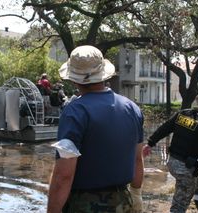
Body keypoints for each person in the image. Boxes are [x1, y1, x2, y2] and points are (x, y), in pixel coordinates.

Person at [47, 45, 144, 213]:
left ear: (74, 79)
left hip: (84, 204)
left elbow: (64, 175)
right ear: (103, 74)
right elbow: (137, 159)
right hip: (123, 201)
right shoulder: (132, 108)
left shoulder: (75, 112)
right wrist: (136, 194)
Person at [143, 92, 198, 213]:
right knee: (179, 205)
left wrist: (150, 143)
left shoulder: (183, 114)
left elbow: (165, 128)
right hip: (186, 169)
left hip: (172, 163)